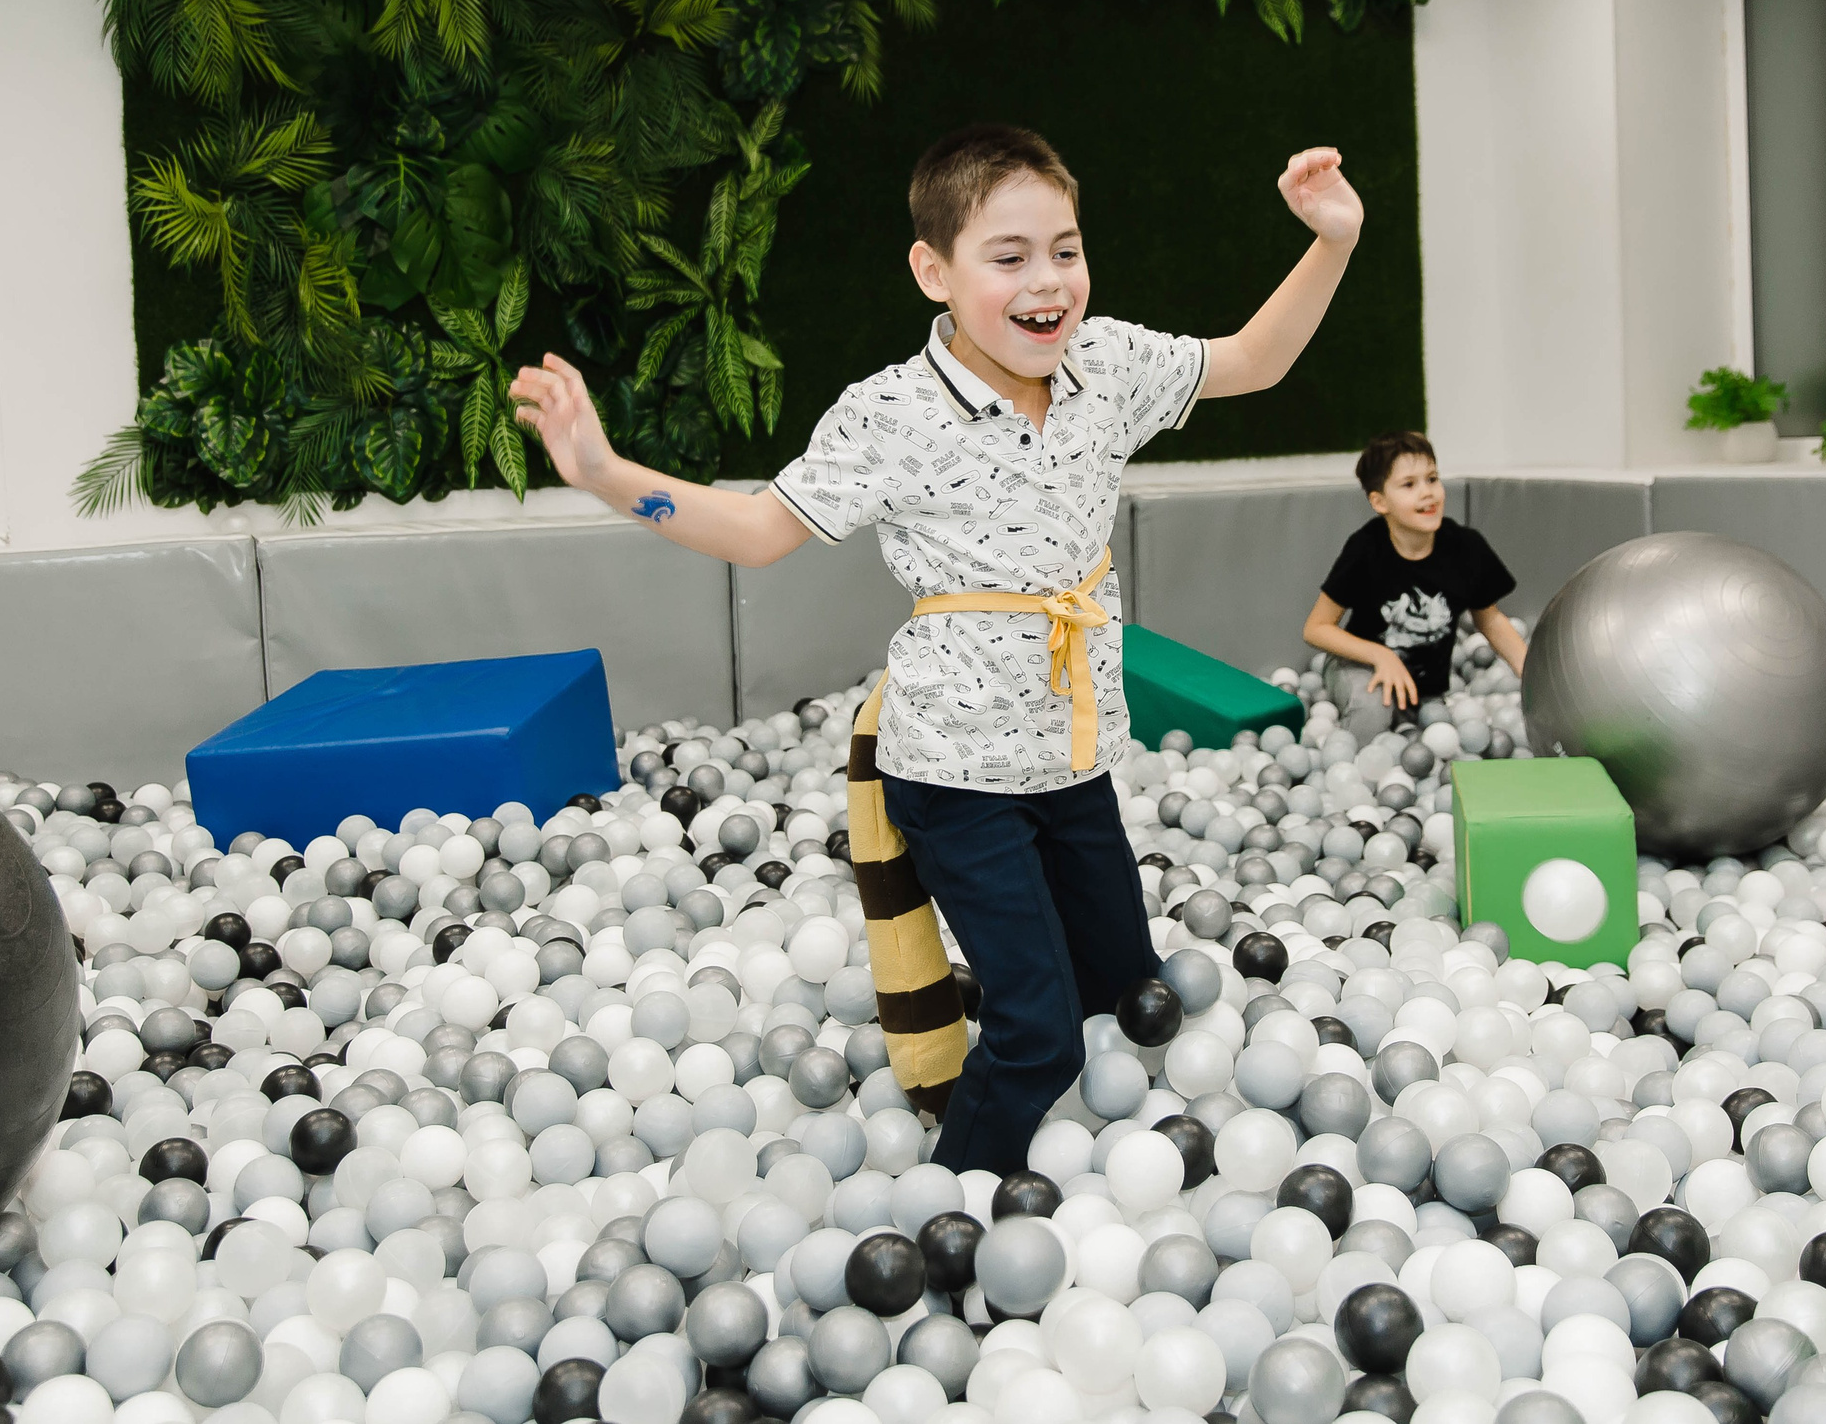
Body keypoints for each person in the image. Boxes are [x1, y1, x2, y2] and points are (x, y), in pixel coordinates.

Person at [510, 122, 1363, 1173]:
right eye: (1008, 257)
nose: (1048, 280)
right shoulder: (892, 414)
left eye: (1066, 247)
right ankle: (956, 1200)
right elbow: (758, 531)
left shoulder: (1106, 368)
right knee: (1040, 1031)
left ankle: (1088, 1135)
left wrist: (1331, 239)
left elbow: (1254, 360)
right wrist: (603, 471)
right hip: (956, 771)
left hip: (1074, 757)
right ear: (934, 270)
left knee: (1125, 989)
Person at [1302, 430, 1526, 741]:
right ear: (1379, 502)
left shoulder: (1466, 548)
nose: (1428, 493)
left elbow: (1490, 620)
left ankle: (1406, 716)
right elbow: (1316, 627)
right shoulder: (1365, 550)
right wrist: (1381, 656)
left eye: (1432, 479)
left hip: (1424, 687)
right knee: (1373, 710)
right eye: (1409, 484)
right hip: (1358, 663)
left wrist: (1531, 674)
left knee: (1437, 729)